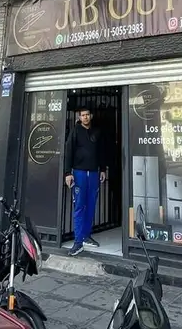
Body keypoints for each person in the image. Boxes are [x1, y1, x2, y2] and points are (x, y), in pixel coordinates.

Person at [64, 107, 108, 256]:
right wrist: (68, 173)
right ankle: (78, 242)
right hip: (79, 173)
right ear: (79, 117)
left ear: (91, 116)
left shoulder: (97, 132)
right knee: (79, 206)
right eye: (83, 115)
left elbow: (101, 151)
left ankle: (86, 236)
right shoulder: (75, 131)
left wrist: (103, 169)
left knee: (91, 205)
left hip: (94, 173)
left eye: (87, 115)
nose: (85, 117)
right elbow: (68, 151)